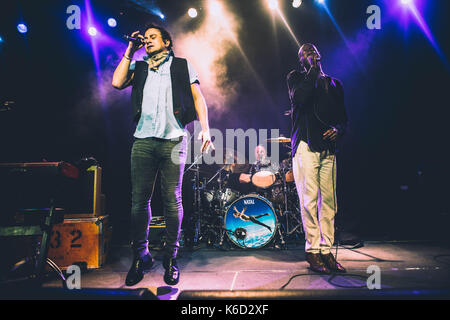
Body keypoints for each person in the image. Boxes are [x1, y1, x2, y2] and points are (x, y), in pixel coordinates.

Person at [112, 23, 213, 286]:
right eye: (145, 38)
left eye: (153, 37)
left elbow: (198, 97)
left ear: (167, 42)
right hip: (143, 140)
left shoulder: (181, 65)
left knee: (172, 200)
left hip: (173, 140)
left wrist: (205, 129)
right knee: (138, 202)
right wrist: (130, 48)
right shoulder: (140, 66)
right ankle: (141, 255)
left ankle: (170, 257)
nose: (147, 40)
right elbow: (116, 82)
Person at [287, 43, 348, 274]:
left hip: (328, 150)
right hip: (305, 146)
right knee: (309, 201)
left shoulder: (334, 84)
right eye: (305, 53)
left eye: (313, 51)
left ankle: (326, 250)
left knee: (329, 203)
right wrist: (312, 71)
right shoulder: (295, 79)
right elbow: (300, 99)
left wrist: (338, 130)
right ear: (301, 60)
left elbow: (343, 117)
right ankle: (312, 250)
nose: (310, 54)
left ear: (320, 55)